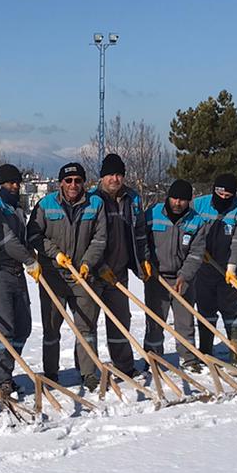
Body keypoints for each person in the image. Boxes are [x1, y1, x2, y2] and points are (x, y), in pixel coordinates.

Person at [26, 161, 105, 389]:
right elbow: (34, 236)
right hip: (53, 276)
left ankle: (88, 373)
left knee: (87, 328)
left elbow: (100, 239)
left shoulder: (95, 204)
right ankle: (51, 373)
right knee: (51, 329)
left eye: (78, 180)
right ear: (61, 182)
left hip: (82, 275)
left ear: (84, 183)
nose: (73, 185)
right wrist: (55, 254)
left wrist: (88, 263)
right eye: (68, 180)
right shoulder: (46, 204)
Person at [88, 152, 152, 377]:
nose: (115, 179)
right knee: (88, 324)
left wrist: (143, 260)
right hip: (95, 272)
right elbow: (87, 238)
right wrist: (98, 265)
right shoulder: (93, 200)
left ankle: (124, 365)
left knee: (121, 321)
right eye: (110, 175)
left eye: (119, 175)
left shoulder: (132, 199)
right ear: (102, 177)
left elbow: (140, 232)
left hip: (119, 272)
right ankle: (89, 372)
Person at [0, 163, 36, 398]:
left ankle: (8, 373)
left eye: (16, 183)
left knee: (24, 326)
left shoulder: (15, 208)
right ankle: (2, 378)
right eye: (9, 183)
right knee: (5, 328)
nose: (14, 187)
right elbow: (8, 240)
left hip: (16, 272)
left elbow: (23, 237)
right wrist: (30, 260)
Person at [143, 179, 209, 369]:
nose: (177, 203)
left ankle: (189, 358)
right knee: (155, 321)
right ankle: (153, 359)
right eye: (175, 198)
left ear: (189, 201)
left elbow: (196, 254)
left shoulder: (196, 221)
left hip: (183, 278)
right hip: (157, 278)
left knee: (185, 322)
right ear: (168, 197)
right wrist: (147, 264)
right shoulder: (152, 214)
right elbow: (142, 241)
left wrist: (184, 276)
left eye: (182, 200)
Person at [188, 172, 237, 356]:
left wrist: (232, 267)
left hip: (230, 268)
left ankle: (236, 352)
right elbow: (188, 228)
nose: (223, 198)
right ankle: (206, 351)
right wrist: (197, 251)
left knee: (231, 308)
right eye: (220, 194)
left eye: (228, 196)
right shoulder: (198, 205)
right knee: (205, 308)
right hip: (203, 267)